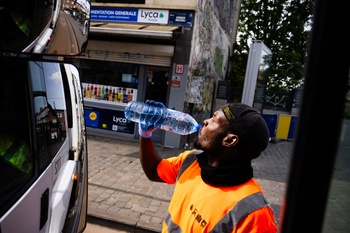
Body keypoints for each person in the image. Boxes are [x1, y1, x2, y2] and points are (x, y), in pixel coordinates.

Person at [138, 100, 278, 233]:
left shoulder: (254, 213)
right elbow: (154, 171)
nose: (205, 121)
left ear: (229, 140)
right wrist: (145, 134)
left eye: (214, 120)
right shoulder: (191, 160)